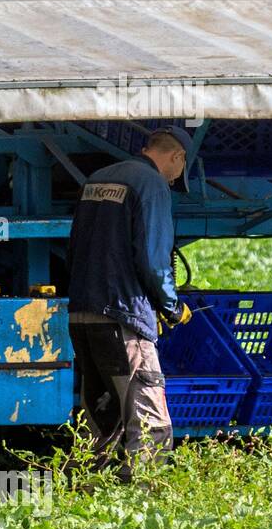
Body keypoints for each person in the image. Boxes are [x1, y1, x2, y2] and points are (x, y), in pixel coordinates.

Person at [66, 126, 194, 482]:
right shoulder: (150, 184)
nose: (174, 180)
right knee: (150, 423)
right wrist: (170, 307)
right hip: (122, 319)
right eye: (178, 172)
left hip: (82, 316)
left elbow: (74, 248)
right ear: (177, 157)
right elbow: (154, 260)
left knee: (101, 421)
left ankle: (86, 500)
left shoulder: (97, 179)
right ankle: (143, 509)